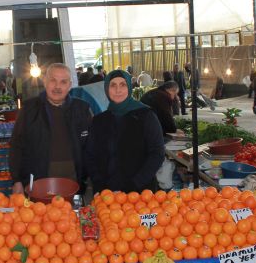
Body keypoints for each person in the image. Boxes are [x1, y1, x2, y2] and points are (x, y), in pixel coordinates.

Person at [10, 63, 93, 193]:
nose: (57, 86)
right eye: (53, 80)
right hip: (38, 181)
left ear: (70, 85)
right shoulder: (29, 109)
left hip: (73, 181)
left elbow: (91, 147)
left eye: (63, 82)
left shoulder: (82, 109)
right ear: (44, 81)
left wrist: (88, 178)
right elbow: (16, 145)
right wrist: (16, 180)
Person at [85, 69, 164, 193]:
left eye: (123, 85)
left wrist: (134, 184)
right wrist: (99, 183)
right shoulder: (99, 121)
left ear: (129, 87)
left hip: (140, 193)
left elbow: (157, 153)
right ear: (106, 89)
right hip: (106, 193)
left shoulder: (145, 115)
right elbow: (90, 155)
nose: (118, 90)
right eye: (113, 85)